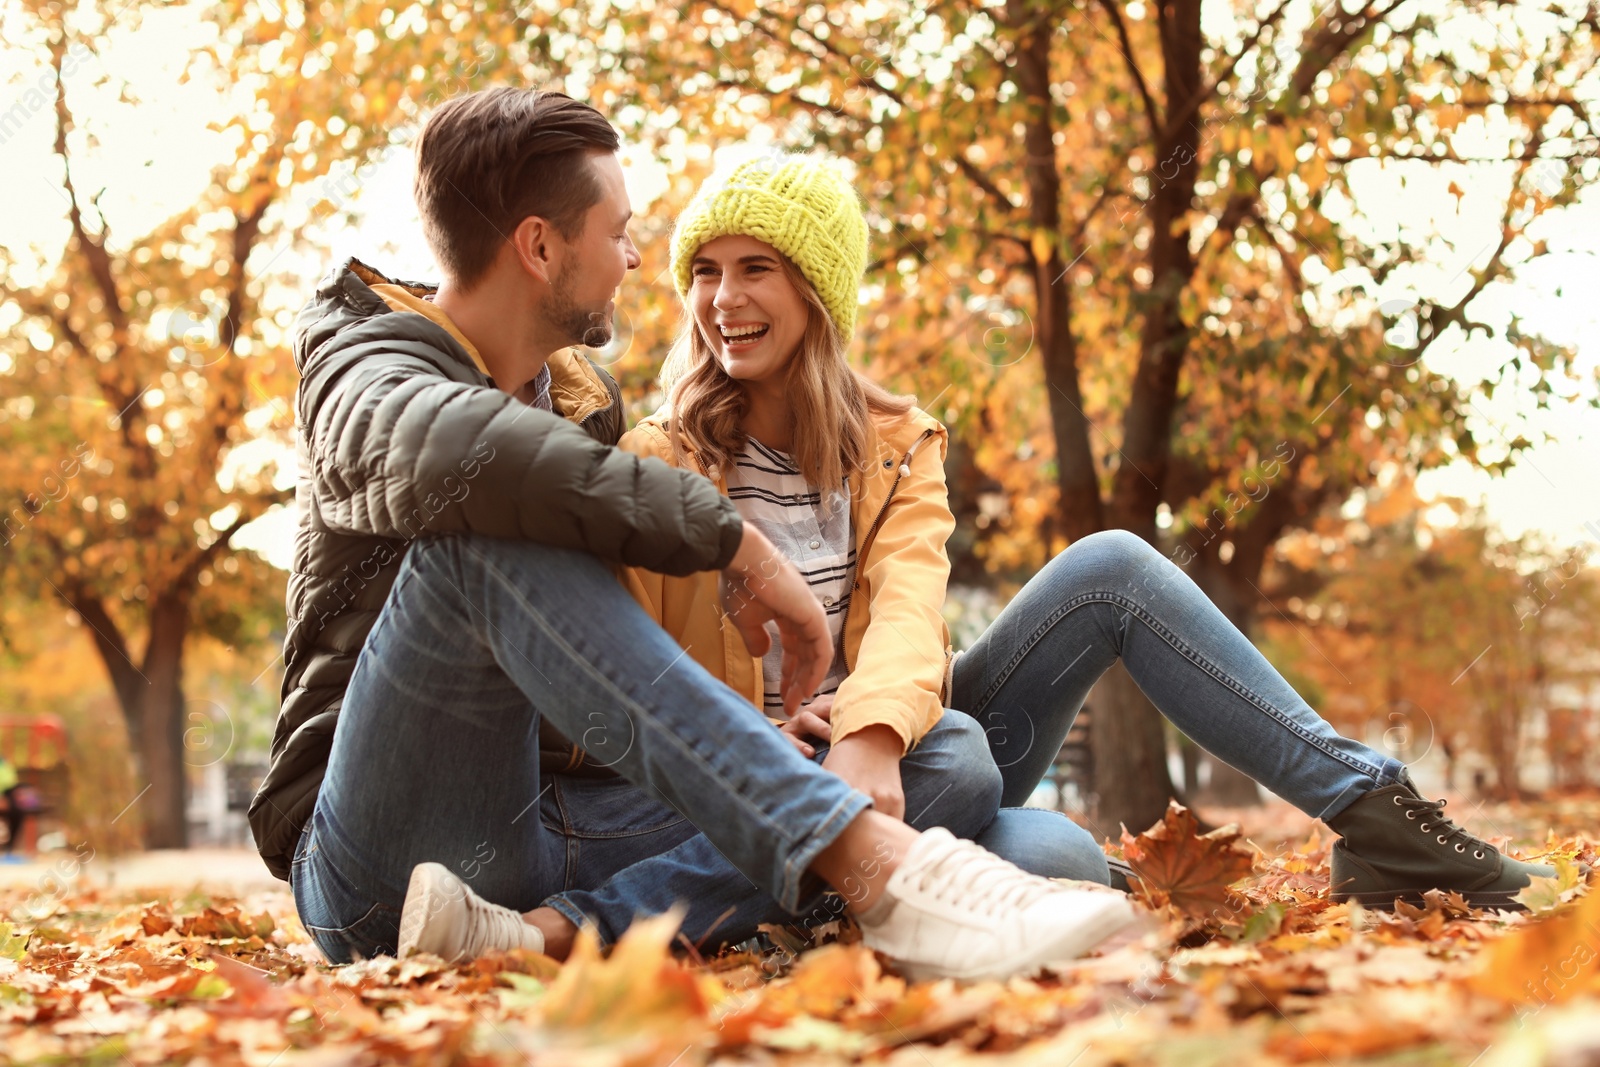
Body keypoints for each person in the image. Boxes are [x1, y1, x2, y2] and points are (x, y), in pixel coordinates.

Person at [512, 154, 1558, 955]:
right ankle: (861, 886)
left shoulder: (896, 442)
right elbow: (626, 672)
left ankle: (1377, 813)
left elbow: (913, 605)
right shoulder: (662, 457)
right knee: (1047, 845)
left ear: (819, 288)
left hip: (898, 748)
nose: (721, 298)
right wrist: (769, 736)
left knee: (1106, 564)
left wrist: (871, 731)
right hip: (766, 771)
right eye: (703, 272)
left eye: (755, 269)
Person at [251, 86, 1137, 984]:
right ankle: (884, 868)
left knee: (953, 759)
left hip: (551, 832)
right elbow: (452, 455)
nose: (638, 259)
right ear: (541, 245)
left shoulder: (586, 402)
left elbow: (593, 657)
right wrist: (735, 544)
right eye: (619, 231)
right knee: (482, 530)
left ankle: (551, 932)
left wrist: (770, 742)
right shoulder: (360, 358)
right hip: (380, 865)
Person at [0, 754, 27, 863]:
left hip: (8, 798)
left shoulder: (6, 765)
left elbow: (12, 786)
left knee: (18, 813)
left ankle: (9, 849)